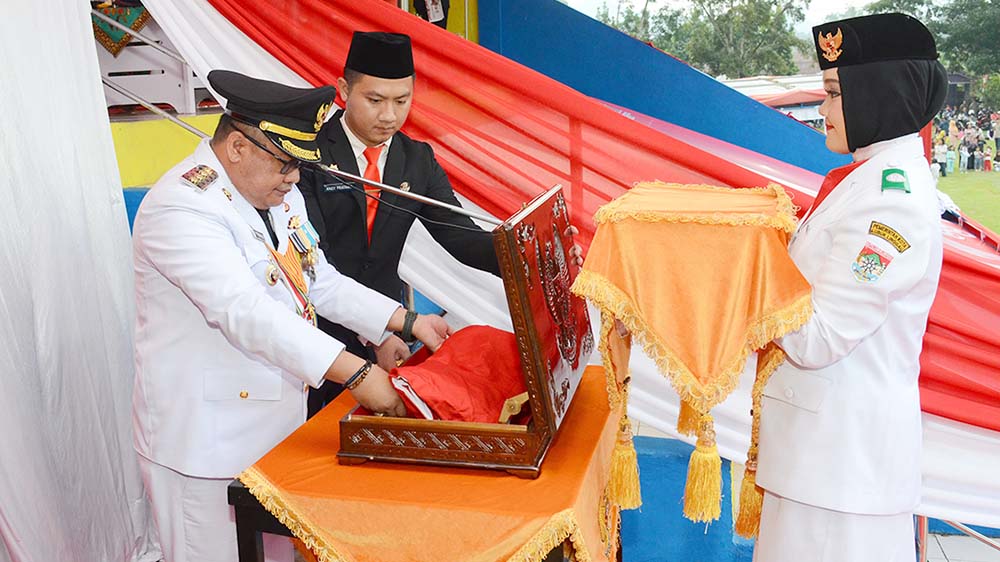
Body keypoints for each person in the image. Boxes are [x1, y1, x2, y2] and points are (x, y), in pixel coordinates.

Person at [131, 70, 451, 562]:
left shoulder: (274, 194)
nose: (295, 178)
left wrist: (404, 321)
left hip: (275, 431)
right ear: (237, 147)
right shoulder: (182, 208)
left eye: (299, 164)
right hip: (205, 446)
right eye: (285, 163)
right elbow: (246, 312)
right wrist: (357, 373)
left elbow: (316, 278)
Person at [754, 13, 946, 562]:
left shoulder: (892, 201)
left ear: (878, 93)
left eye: (835, 93)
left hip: (841, 480)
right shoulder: (868, 179)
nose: (822, 109)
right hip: (822, 469)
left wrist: (749, 264)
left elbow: (819, 337)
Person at [297, 32, 494, 415]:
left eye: (402, 101)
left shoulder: (415, 158)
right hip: (319, 334)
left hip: (394, 334)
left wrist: (531, 252)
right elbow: (313, 267)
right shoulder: (310, 152)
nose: (389, 115)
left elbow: (463, 237)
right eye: (375, 100)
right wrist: (380, 333)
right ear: (343, 89)